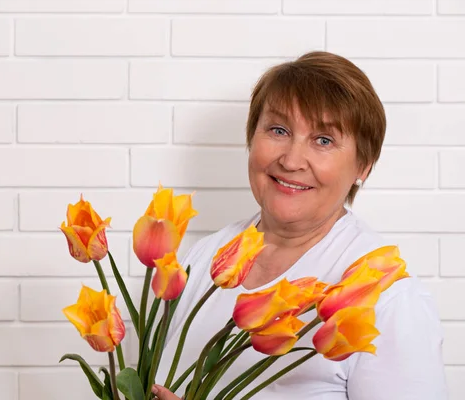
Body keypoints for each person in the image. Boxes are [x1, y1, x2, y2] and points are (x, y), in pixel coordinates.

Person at [151, 51, 448, 399]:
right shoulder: (205, 258)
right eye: (278, 130)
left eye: (324, 140)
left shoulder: (387, 297)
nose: (291, 160)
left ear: (362, 167)